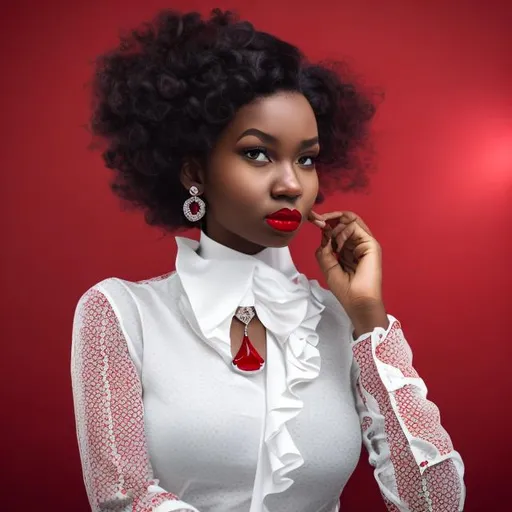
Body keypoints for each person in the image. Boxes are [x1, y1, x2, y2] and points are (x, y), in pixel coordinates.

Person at [71, 8, 465, 512]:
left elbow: (436, 505)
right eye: (258, 153)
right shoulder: (120, 314)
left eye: (306, 158)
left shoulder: (343, 323)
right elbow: (120, 498)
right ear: (195, 169)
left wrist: (369, 320)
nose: (291, 184)